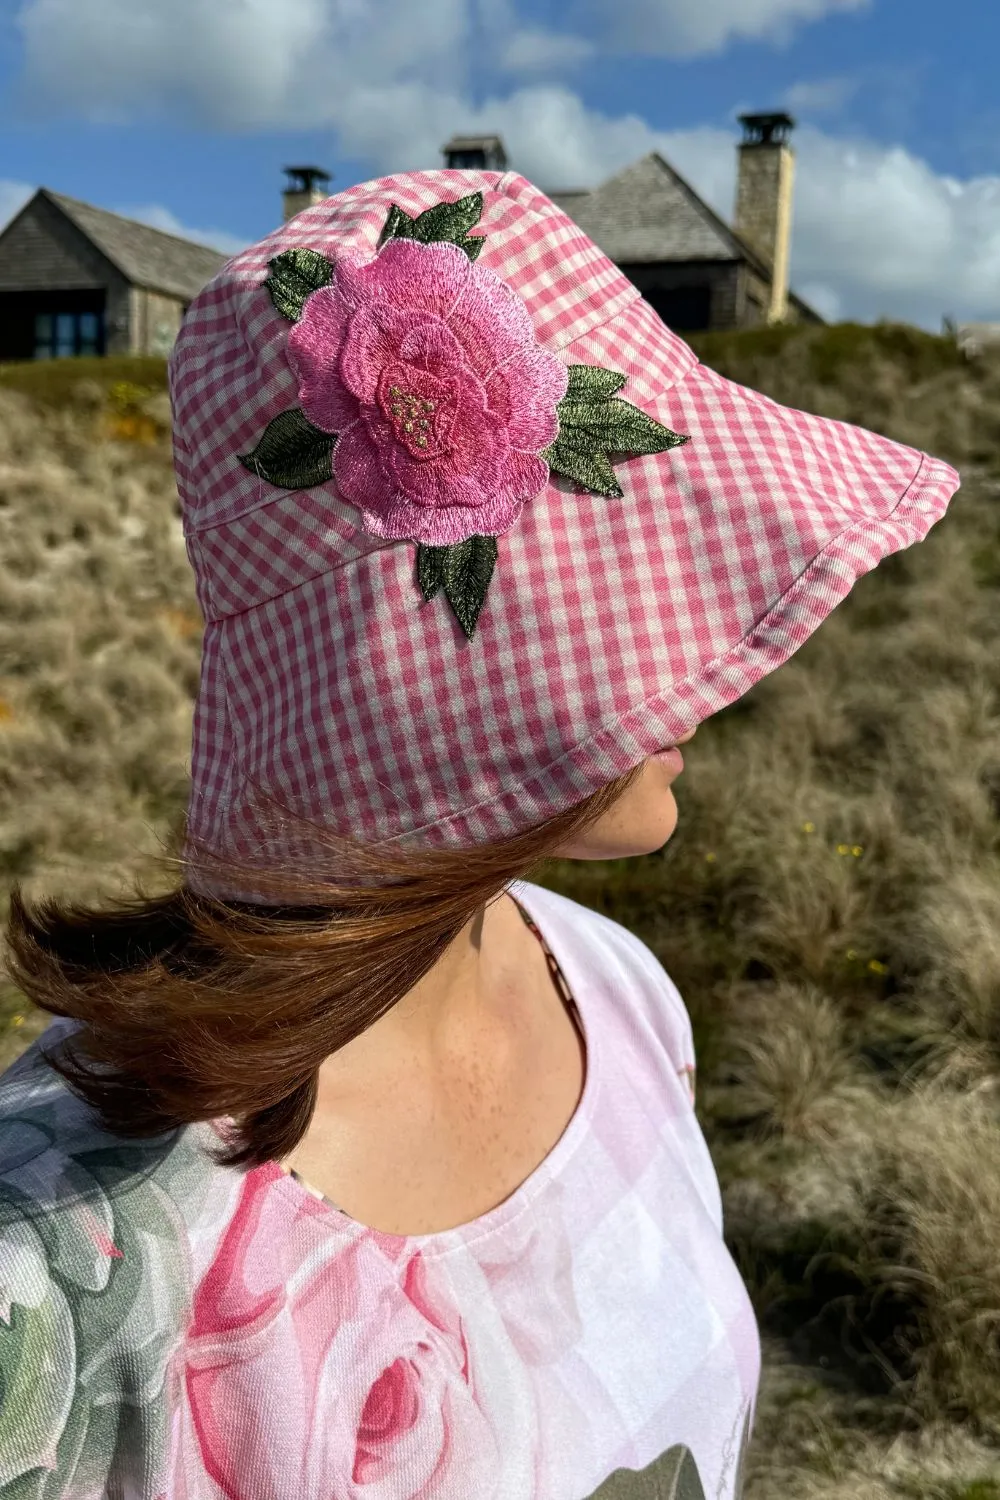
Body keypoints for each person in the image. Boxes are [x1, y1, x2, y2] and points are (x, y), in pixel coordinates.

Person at [0, 167, 960, 1500]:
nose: (721, 676)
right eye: (640, 613)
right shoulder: (64, 1270)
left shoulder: (614, 992)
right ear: (419, 684)